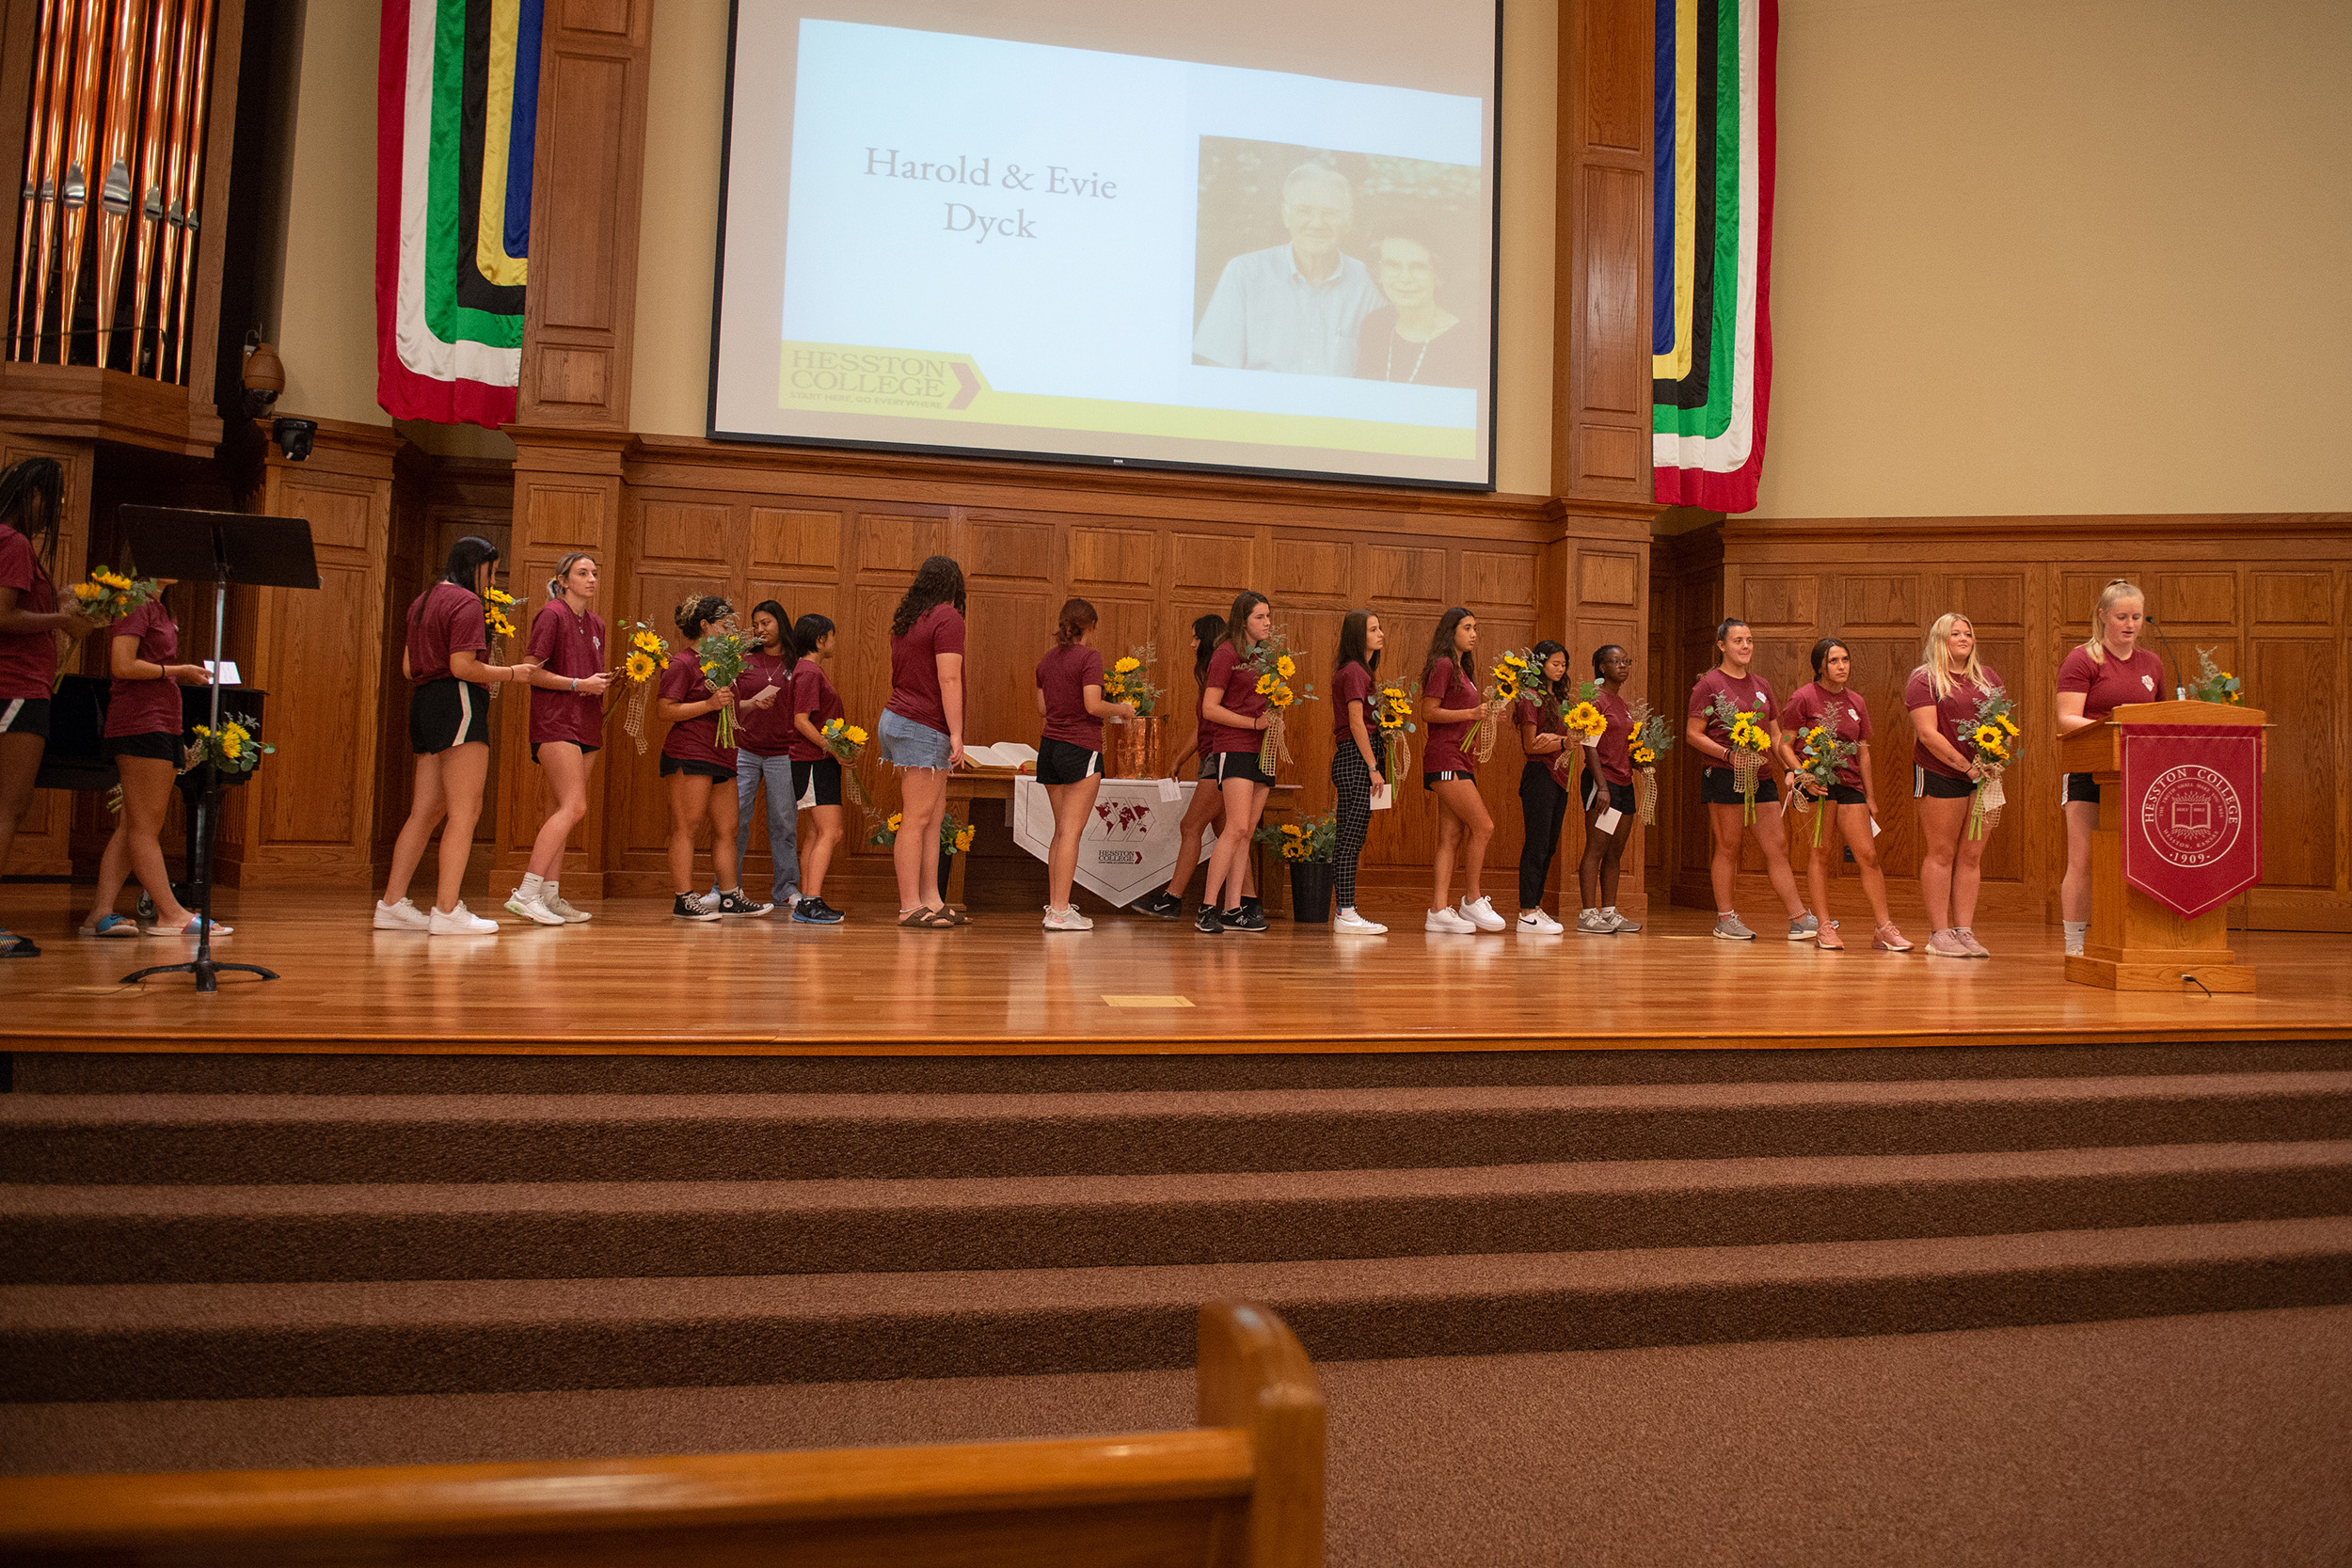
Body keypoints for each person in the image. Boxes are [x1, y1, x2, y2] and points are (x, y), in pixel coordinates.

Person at [375, 538, 532, 935]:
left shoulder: (422, 601)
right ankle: (447, 910)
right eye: (491, 571)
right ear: (475, 566)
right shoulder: (465, 603)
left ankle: (391, 904)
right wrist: (511, 673)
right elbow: (462, 666)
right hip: (457, 701)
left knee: (424, 811)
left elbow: (410, 669)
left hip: (424, 704)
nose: (492, 579)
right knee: (466, 810)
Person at [78, 579, 215, 938]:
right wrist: (178, 670)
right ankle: (171, 913)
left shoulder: (157, 606)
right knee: (144, 827)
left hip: (159, 722)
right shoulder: (134, 604)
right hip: (141, 723)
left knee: (131, 826)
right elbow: (122, 665)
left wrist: (176, 732)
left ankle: (99, 913)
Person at [0, 457, 95, 957]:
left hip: (17, 687)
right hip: (14, 687)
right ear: (31, 494)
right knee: (6, 811)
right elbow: (4, 616)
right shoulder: (13, 542)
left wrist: (55, 603)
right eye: (51, 500)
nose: (52, 511)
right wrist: (63, 621)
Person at [1685, 617, 1813, 942]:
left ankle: (1799, 918)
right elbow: (1692, 734)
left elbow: (1775, 735)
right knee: (1729, 846)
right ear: (1722, 646)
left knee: (1777, 846)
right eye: (1739, 640)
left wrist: (1791, 769)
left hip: (1762, 775)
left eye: (1750, 640)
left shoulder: (1762, 684)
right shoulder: (1709, 684)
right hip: (1724, 774)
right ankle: (1725, 919)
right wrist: (1727, 754)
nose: (1745, 646)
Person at [1192, 162, 1384, 376]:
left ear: (1347, 220)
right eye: (1304, 210)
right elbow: (1218, 373)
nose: (1317, 223)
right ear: (1286, 215)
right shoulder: (1244, 274)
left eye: (1330, 213)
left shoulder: (1367, 282)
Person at [2055, 579, 2161, 957]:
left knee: (2137, 857)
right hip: (2090, 768)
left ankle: (2132, 936)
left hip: (2140, 773)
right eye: (2121, 617)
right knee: (2082, 859)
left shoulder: (2152, 663)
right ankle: (2074, 944)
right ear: (2102, 617)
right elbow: (2067, 718)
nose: (2130, 624)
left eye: (2136, 617)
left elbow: (2163, 718)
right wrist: (2117, 730)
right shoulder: (2083, 660)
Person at [1781, 638, 1908, 953]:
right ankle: (1823, 926)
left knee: (1868, 856)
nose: (1842, 666)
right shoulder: (1803, 698)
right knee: (1820, 852)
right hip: (1817, 784)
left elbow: (1864, 753)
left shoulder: (1857, 702)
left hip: (1850, 785)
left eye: (1845, 660)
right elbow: (1784, 744)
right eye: (1834, 661)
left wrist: (1871, 796)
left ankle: (1883, 928)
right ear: (1820, 666)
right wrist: (1803, 775)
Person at [504, 552, 611, 926]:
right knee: (575, 807)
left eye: (595, 573)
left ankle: (549, 894)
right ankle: (526, 892)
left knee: (561, 811)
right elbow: (530, 672)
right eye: (583, 573)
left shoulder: (596, 623)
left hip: (586, 724)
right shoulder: (551, 614)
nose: (592, 579)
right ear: (563, 580)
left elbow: (588, 675)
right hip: (555, 722)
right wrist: (577, 684)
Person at [658, 594, 778, 922]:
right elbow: (665, 710)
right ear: (704, 626)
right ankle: (684, 898)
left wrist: (750, 703)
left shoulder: (725, 664)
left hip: (723, 752)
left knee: (729, 827)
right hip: (690, 751)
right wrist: (708, 705)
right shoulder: (682, 663)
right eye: (724, 626)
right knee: (688, 826)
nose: (729, 633)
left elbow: (725, 706)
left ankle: (729, 896)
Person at [1133, 614, 1256, 921]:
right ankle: (1249, 903)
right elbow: (1204, 722)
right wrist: (1180, 757)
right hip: (1211, 755)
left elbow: (1215, 719)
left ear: (1208, 638)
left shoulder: (1221, 666)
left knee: (1191, 826)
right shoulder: (1210, 673)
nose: (1191, 643)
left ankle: (1172, 899)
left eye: (1195, 637)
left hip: (1219, 757)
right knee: (1232, 832)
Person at [1035, 597, 1136, 931]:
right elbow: (1093, 705)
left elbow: (1042, 709)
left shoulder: (1047, 660)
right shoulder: (1089, 658)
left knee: (1060, 830)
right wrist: (1121, 709)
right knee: (1072, 832)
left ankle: (1055, 906)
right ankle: (1061, 911)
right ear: (1090, 625)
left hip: (1049, 747)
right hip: (1080, 747)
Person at [1907, 613, 2004, 959]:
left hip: (1984, 778)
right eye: (1955, 633)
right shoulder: (1925, 679)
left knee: (1972, 854)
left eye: (1968, 633)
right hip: (1941, 773)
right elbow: (1927, 734)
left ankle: (1964, 930)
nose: (1964, 638)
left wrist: (1991, 762)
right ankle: (1939, 933)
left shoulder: (1988, 678)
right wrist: (1967, 768)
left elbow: (2000, 724)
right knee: (1942, 852)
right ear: (1940, 639)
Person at [881, 554, 967, 928]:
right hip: (922, 724)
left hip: (902, 719)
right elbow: (949, 679)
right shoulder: (948, 618)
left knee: (933, 819)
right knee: (917, 819)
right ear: (955, 586)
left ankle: (932, 899)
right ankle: (909, 905)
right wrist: (958, 734)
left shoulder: (909, 619)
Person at [1196, 590, 1279, 934]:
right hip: (1235, 746)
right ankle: (1207, 907)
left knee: (1247, 834)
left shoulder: (1265, 657)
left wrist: (1275, 716)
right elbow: (1210, 709)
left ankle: (1234, 908)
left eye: (1268, 617)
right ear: (1242, 620)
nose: (1267, 623)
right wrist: (1253, 723)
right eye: (1260, 617)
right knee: (1236, 828)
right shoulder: (1226, 653)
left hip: (1264, 749)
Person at [1422, 607, 1502, 933]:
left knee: (1451, 835)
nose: (1473, 634)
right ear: (1450, 631)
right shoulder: (1443, 665)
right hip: (1445, 758)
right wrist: (1471, 712)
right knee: (1484, 826)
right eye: (1467, 627)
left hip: (1461, 757)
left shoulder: (1461, 668)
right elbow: (1428, 711)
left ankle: (1438, 910)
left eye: (1475, 628)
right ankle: (1472, 899)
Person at [720, 600, 803, 917]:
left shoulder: (796, 663)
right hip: (744, 749)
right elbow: (729, 704)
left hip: (784, 752)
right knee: (734, 819)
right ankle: (726, 888)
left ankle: (786, 890)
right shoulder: (743, 660)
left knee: (784, 821)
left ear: (781, 623)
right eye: (756, 624)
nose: (760, 630)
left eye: (766, 622)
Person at [1574, 643, 1643, 937]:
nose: (1623, 665)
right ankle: (1587, 914)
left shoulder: (1622, 704)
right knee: (1597, 848)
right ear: (1602, 668)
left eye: (1626, 660)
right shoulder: (1596, 701)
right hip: (1603, 783)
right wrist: (1602, 787)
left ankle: (1609, 912)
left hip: (1625, 783)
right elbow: (1589, 747)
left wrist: (1642, 759)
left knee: (1616, 851)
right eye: (1616, 661)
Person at [1355, 231, 1480, 389]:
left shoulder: (1466, 342)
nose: (1405, 278)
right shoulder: (1374, 325)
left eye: (1418, 267)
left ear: (1438, 275)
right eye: (1392, 265)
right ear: (1379, 272)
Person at [786, 612, 848, 925]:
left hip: (811, 761)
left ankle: (807, 900)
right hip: (813, 761)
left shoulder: (806, 670)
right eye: (832, 636)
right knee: (831, 831)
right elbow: (801, 720)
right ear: (820, 639)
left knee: (815, 832)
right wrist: (832, 747)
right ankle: (811, 900)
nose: (834, 642)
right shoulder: (809, 672)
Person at [1328, 608, 1387, 935]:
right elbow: (1355, 722)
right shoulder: (1354, 672)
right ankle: (1346, 910)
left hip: (1356, 756)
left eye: (1380, 628)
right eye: (1372, 629)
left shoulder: (1359, 671)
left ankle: (1346, 909)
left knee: (1351, 837)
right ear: (1357, 635)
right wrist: (1373, 766)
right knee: (1351, 838)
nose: (1380, 634)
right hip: (1356, 757)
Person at [1510, 641, 1571, 935]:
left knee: (1549, 845)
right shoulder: (1530, 696)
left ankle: (1535, 904)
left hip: (1559, 776)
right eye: (1554, 664)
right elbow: (1530, 744)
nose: (1560, 669)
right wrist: (1563, 742)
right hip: (1539, 774)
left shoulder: (1557, 697)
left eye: (1563, 665)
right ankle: (1526, 911)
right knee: (1536, 844)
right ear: (1540, 663)